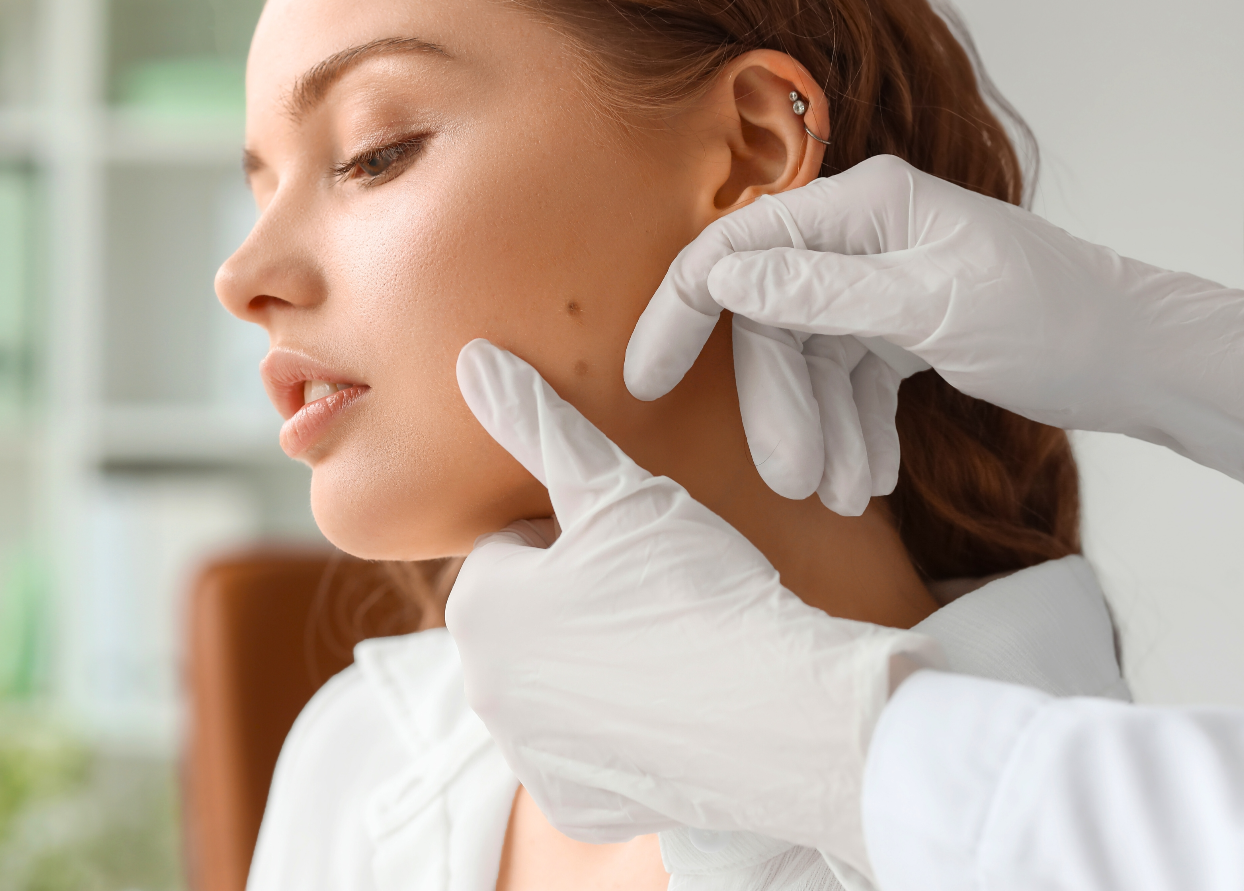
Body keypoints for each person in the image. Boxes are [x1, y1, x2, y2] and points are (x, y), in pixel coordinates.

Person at [214, 0, 1140, 888]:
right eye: (260, 191)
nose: (243, 277)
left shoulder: (1105, 828)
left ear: (750, 148)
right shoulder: (364, 750)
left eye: (375, 154)